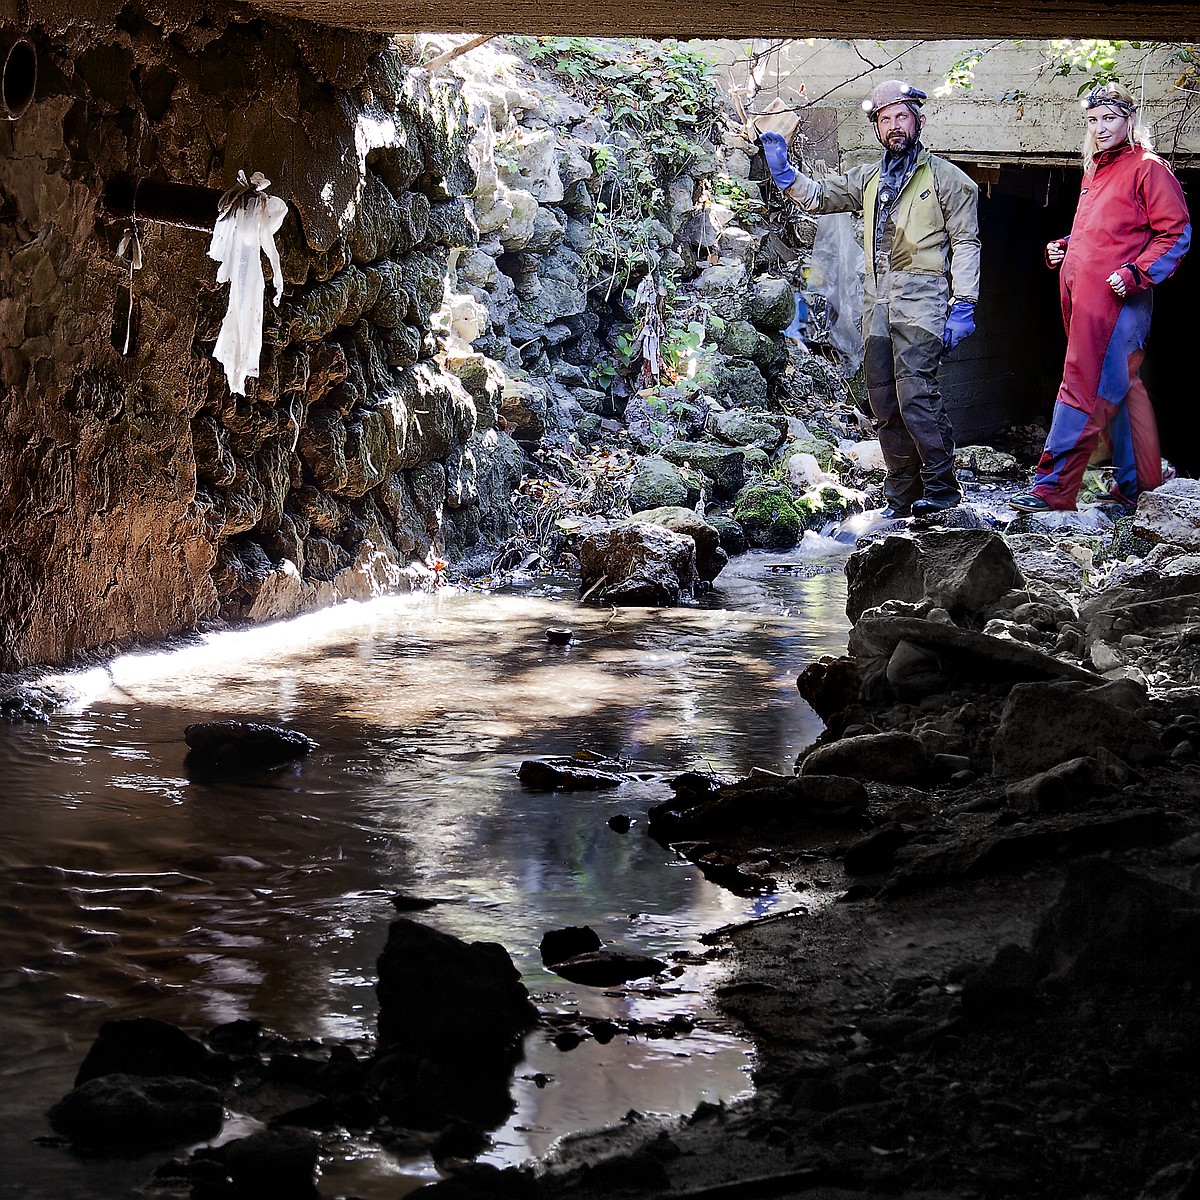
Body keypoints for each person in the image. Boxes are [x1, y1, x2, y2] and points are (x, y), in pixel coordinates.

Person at [760, 79, 981, 519]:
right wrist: (784, 173)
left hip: (923, 303)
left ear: (919, 120)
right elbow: (820, 196)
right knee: (882, 398)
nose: (894, 125)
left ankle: (942, 487)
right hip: (876, 304)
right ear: (877, 128)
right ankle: (902, 493)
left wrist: (964, 303)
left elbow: (967, 241)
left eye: (902, 116)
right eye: (885, 119)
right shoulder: (868, 177)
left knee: (916, 393)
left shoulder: (949, 181)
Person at [1010, 82, 1191, 513]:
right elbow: (1108, 232)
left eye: (1108, 118)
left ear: (1129, 121)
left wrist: (1134, 273)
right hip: (1088, 304)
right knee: (1125, 393)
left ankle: (1053, 489)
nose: (1099, 128)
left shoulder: (1148, 167)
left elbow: (1176, 232)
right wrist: (1065, 246)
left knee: (1083, 391)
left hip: (1115, 310)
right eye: (1092, 121)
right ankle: (1137, 487)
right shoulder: (1097, 170)